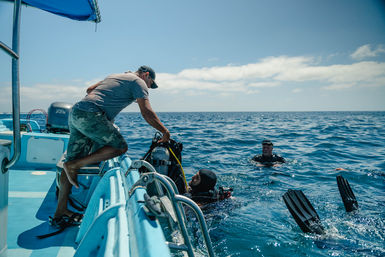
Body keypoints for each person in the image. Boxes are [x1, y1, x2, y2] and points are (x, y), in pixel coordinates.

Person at [51, 65, 170, 227]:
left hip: (77, 112)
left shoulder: (115, 76)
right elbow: (146, 112)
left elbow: (89, 89)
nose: (149, 87)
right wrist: (164, 131)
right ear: (146, 75)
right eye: (150, 83)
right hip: (91, 114)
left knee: (68, 163)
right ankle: (75, 165)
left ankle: (60, 212)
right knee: (119, 147)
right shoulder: (139, 82)